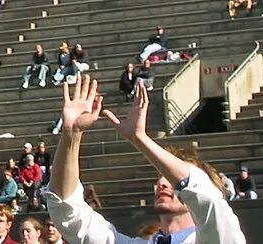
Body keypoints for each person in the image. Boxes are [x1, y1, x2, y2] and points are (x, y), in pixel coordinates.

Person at [45, 76, 246, 244]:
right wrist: (71, 135)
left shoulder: (221, 236)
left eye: (171, 179)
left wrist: (140, 139)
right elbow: (68, 213)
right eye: (161, 177)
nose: (162, 182)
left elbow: (205, 196)